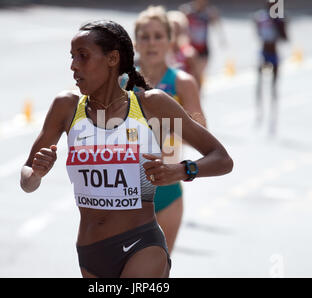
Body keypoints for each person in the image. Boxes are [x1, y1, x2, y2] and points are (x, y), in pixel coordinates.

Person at [20, 20, 233, 278]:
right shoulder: (66, 106)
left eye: (83, 56)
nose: (73, 66)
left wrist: (181, 170)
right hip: (90, 251)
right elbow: (27, 181)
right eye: (72, 57)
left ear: (112, 59)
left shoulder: (151, 104)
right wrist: (37, 174)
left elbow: (222, 158)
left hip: (142, 243)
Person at [131, 5, 207, 253]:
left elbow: (201, 130)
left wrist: (170, 125)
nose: (151, 43)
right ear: (135, 42)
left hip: (167, 189)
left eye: (158, 36)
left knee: (159, 269)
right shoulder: (121, 82)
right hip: (125, 190)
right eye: (145, 36)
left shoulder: (182, 82)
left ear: (169, 41)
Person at [254, 1, 288, 136]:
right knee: (260, 84)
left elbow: (285, 37)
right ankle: (260, 111)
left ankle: (273, 114)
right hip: (264, 53)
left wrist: (280, 26)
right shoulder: (260, 17)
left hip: (273, 54)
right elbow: (258, 33)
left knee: (273, 86)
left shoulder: (279, 20)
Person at [180, 0, 225, 89]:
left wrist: (221, 38)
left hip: (203, 49)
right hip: (191, 48)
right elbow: (180, 26)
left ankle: (198, 95)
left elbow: (216, 24)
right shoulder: (188, 11)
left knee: (199, 74)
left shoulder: (208, 13)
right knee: (190, 73)